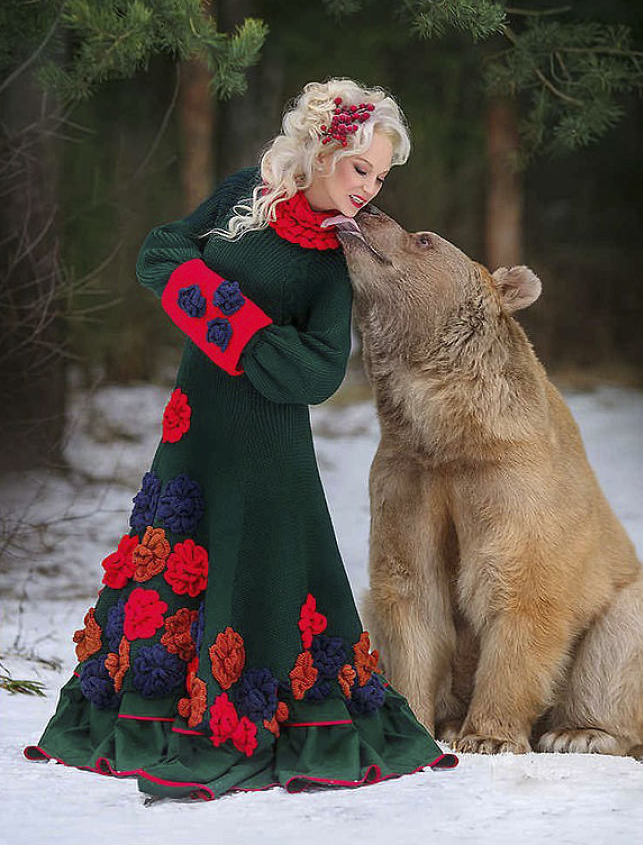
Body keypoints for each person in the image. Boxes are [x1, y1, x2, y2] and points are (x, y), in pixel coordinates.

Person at [24, 77, 458, 801]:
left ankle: (248, 723)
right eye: (361, 169)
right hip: (193, 433)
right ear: (323, 150)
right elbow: (160, 252)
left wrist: (232, 327)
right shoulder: (244, 193)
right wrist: (236, 323)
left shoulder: (334, 257)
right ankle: (145, 715)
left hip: (267, 450)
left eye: (381, 176)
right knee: (176, 563)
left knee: (257, 573)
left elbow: (319, 371)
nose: (370, 188)